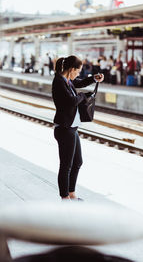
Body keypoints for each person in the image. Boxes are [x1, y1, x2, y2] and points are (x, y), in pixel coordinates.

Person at [52, 55, 104, 201]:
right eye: (78, 71)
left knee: (77, 162)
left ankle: (72, 193)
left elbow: (80, 83)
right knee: (66, 165)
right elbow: (71, 101)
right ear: (71, 69)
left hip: (72, 128)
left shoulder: (67, 81)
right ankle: (65, 197)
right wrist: (82, 96)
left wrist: (94, 78)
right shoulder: (58, 81)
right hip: (64, 129)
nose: (78, 74)